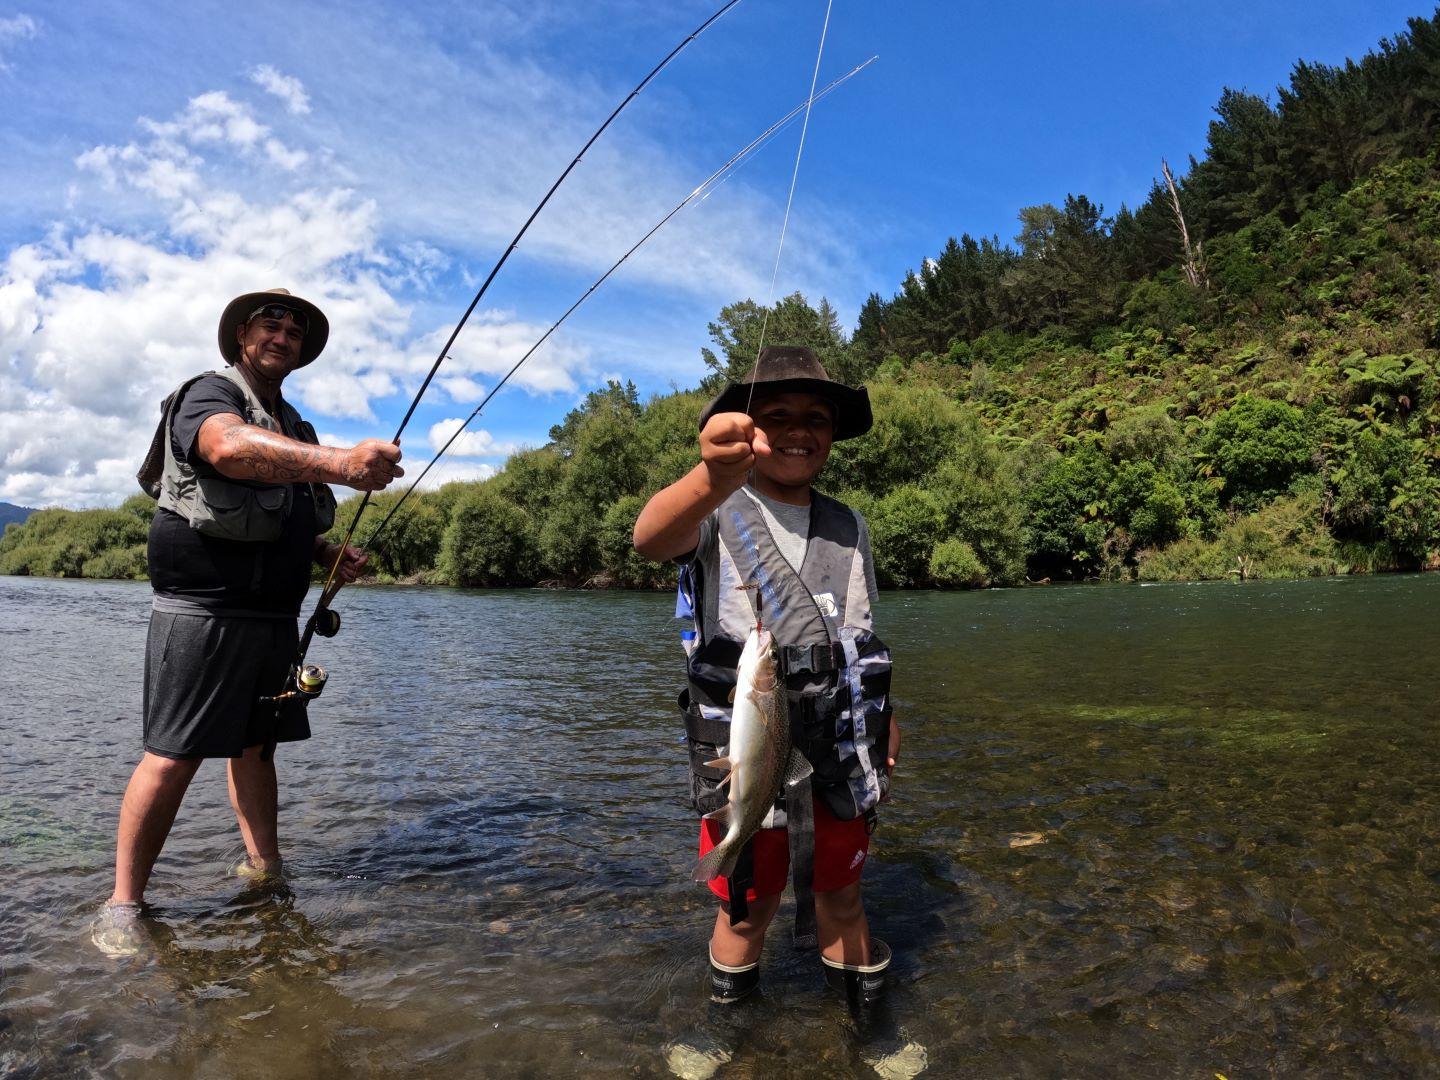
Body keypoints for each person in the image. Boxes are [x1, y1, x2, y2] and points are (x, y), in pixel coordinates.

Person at [92, 287, 404, 957]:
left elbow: (287, 514)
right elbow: (228, 450)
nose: (283, 336)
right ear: (243, 335)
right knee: (173, 753)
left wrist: (325, 552)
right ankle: (123, 904)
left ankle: (265, 869)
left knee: (258, 747)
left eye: (295, 331)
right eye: (271, 324)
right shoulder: (208, 394)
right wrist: (343, 463)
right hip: (204, 608)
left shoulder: (295, 426)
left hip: (274, 616)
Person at [633, 345, 901, 1010]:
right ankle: (729, 1032)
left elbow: (863, 639)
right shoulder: (712, 509)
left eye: (816, 418)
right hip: (746, 756)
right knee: (746, 908)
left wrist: (889, 724)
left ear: (833, 435)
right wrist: (710, 477)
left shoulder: (851, 526)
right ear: (749, 428)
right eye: (776, 416)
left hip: (841, 752)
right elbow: (649, 538)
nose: (797, 431)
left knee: (843, 896)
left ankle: (864, 1031)